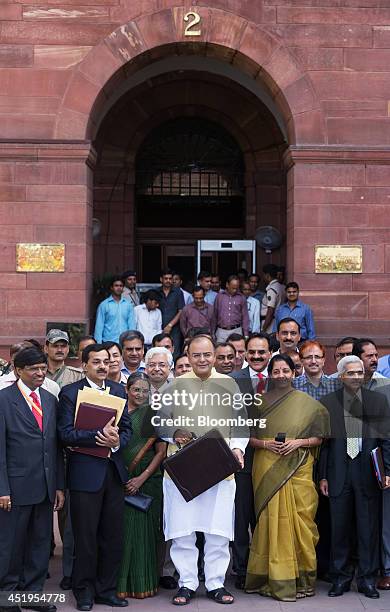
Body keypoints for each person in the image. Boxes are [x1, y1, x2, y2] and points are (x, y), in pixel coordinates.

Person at [157, 335, 247, 605]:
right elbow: (159, 423)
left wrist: (238, 449)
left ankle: (215, 583)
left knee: (217, 530)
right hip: (183, 468)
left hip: (220, 468)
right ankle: (186, 583)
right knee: (182, 530)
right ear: (188, 355)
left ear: (215, 355)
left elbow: (241, 424)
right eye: (196, 355)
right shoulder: (174, 385)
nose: (202, 360)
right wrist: (175, 432)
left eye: (207, 355)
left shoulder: (229, 383)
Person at [246, 354, 329, 601]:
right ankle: (268, 577)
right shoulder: (257, 403)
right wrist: (265, 443)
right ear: (270, 374)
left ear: (295, 372)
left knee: (301, 523)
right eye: (277, 371)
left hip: (299, 467)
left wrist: (298, 443)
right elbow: (246, 436)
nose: (281, 375)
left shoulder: (311, 404)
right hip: (266, 465)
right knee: (269, 522)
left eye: (286, 370)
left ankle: (301, 580)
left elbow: (320, 437)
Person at [57, 344, 132, 611]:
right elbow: (64, 434)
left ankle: (107, 590)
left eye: (106, 361)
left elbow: (126, 430)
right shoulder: (69, 394)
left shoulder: (119, 390)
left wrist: (116, 442)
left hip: (112, 474)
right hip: (84, 475)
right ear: (85, 365)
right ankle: (84, 591)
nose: (102, 366)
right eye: (96, 362)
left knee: (112, 536)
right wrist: (98, 436)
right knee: (85, 538)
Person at [319, 355, 390, 599]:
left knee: (367, 528)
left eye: (360, 372)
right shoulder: (329, 402)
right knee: (339, 528)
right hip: (339, 471)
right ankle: (340, 578)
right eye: (351, 373)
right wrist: (323, 476)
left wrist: (387, 472)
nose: (356, 376)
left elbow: (385, 439)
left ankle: (367, 580)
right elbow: (323, 445)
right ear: (341, 376)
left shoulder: (378, 401)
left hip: (368, 471)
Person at [0, 347, 65, 610]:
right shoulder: (3, 400)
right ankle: (7, 596)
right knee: (12, 545)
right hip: (14, 488)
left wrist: (59, 485)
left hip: (46, 487)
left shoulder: (50, 399)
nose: (40, 373)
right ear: (18, 371)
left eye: (42, 368)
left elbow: (56, 447)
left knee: (40, 545)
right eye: (34, 369)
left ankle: (34, 595)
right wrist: (2, 488)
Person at [117, 373, 166, 599]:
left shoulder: (154, 414)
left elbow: (161, 452)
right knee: (122, 532)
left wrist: (141, 478)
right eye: (136, 390)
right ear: (127, 389)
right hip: (119, 479)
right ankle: (120, 584)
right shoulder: (116, 412)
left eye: (145, 391)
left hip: (147, 480)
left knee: (146, 533)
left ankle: (144, 582)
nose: (140, 394)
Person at [230, 333, 272, 589]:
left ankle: (265, 567)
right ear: (244, 353)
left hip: (272, 459)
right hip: (242, 459)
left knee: (266, 516)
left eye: (262, 352)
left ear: (269, 353)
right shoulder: (233, 381)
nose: (257, 356)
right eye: (252, 352)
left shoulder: (280, 377)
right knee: (241, 516)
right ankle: (242, 569)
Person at [94, 277, 135, 344]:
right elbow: (99, 326)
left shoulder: (128, 305)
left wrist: (132, 341)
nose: (119, 288)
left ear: (123, 288)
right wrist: (98, 344)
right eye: (116, 285)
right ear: (111, 288)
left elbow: (131, 325)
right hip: (108, 342)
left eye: (121, 286)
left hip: (124, 343)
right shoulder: (104, 305)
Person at [212, 275, 249, 342]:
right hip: (221, 331)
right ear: (227, 285)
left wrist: (246, 334)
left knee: (236, 351)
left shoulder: (241, 298)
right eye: (233, 288)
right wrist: (212, 332)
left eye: (236, 288)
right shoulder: (219, 297)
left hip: (236, 330)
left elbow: (245, 317)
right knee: (220, 351)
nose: (235, 290)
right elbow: (215, 315)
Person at [158, 269, 184, 359]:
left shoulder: (178, 292)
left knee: (174, 353)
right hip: (159, 328)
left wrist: (170, 325)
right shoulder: (157, 292)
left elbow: (181, 311)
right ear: (161, 279)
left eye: (170, 278)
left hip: (174, 329)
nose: (168, 280)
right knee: (159, 352)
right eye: (166, 278)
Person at [261, 264, 285, 334]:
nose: (263, 277)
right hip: (277, 320)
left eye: (264, 275)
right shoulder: (282, 287)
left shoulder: (271, 289)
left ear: (267, 275)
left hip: (270, 324)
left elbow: (270, 311)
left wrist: (263, 329)